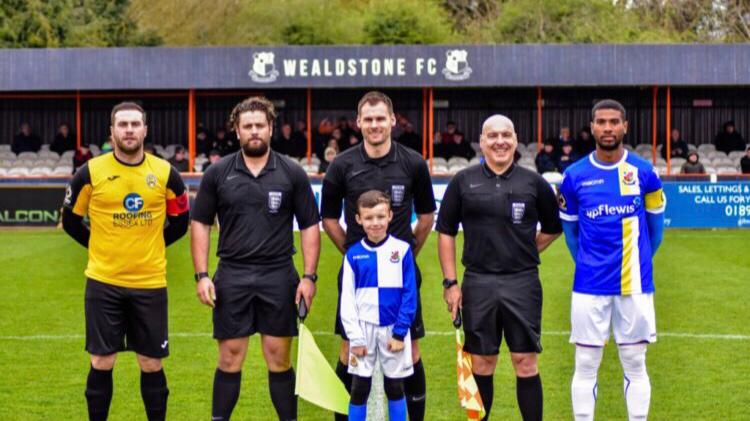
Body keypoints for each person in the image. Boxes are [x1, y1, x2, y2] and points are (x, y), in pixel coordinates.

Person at [191, 96, 320, 421]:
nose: (254, 131)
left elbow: (309, 226)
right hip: (232, 274)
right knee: (230, 357)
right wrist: (202, 275)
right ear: (237, 130)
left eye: (259, 125)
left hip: (278, 275)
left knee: (278, 358)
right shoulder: (217, 173)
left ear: (271, 128)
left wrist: (309, 276)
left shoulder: (292, 172)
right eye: (247, 126)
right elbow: (200, 223)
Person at [61, 102, 190, 421]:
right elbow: (71, 221)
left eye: (135, 124)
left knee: (151, 363)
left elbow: (181, 222)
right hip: (103, 284)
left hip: (150, 284)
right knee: (102, 361)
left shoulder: (165, 173)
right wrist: (100, 247)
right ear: (112, 131)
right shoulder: (89, 172)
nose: (129, 130)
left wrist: (152, 246)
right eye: (123, 124)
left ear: (145, 130)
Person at [437, 114, 562, 421]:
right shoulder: (462, 182)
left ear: (515, 139)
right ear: (482, 141)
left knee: (525, 362)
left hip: (523, 282)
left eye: (506, 135)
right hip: (478, 283)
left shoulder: (533, 182)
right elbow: (445, 233)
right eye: (492, 136)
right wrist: (450, 283)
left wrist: (523, 250)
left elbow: (553, 227)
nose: (500, 141)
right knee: (482, 363)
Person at [321, 91, 435, 421]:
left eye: (380, 118)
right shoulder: (342, 165)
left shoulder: (413, 162)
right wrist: (354, 254)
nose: (374, 125)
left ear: (392, 120)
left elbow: (427, 218)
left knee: (410, 349)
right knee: (348, 349)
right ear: (359, 122)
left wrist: (402, 254)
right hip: (359, 275)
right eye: (368, 119)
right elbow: (328, 218)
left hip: (401, 275)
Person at [558, 99, 666, 421]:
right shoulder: (574, 176)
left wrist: (636, 262)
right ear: (592, 127)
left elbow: (655, 231)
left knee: (635, 360)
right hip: (589, 285)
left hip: (635, 282)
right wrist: (592, 265)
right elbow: (571, 234)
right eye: (601, 122)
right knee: (586, 363)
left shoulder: (644, 173)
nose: (608, 128)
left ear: (625, 127)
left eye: (614, 122)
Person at [341, 190, 417, 421]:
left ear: (390, 216)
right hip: (363, 330)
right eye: (369, 218)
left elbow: (409, 294)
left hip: (394, 330)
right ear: (358, 220)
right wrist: (355, 337)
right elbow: (347, 301)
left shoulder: (402, 250)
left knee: (395, 387)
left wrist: (400, 331)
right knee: (359, 388)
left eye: (380, 217)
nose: (375, 223)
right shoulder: (353, 255)